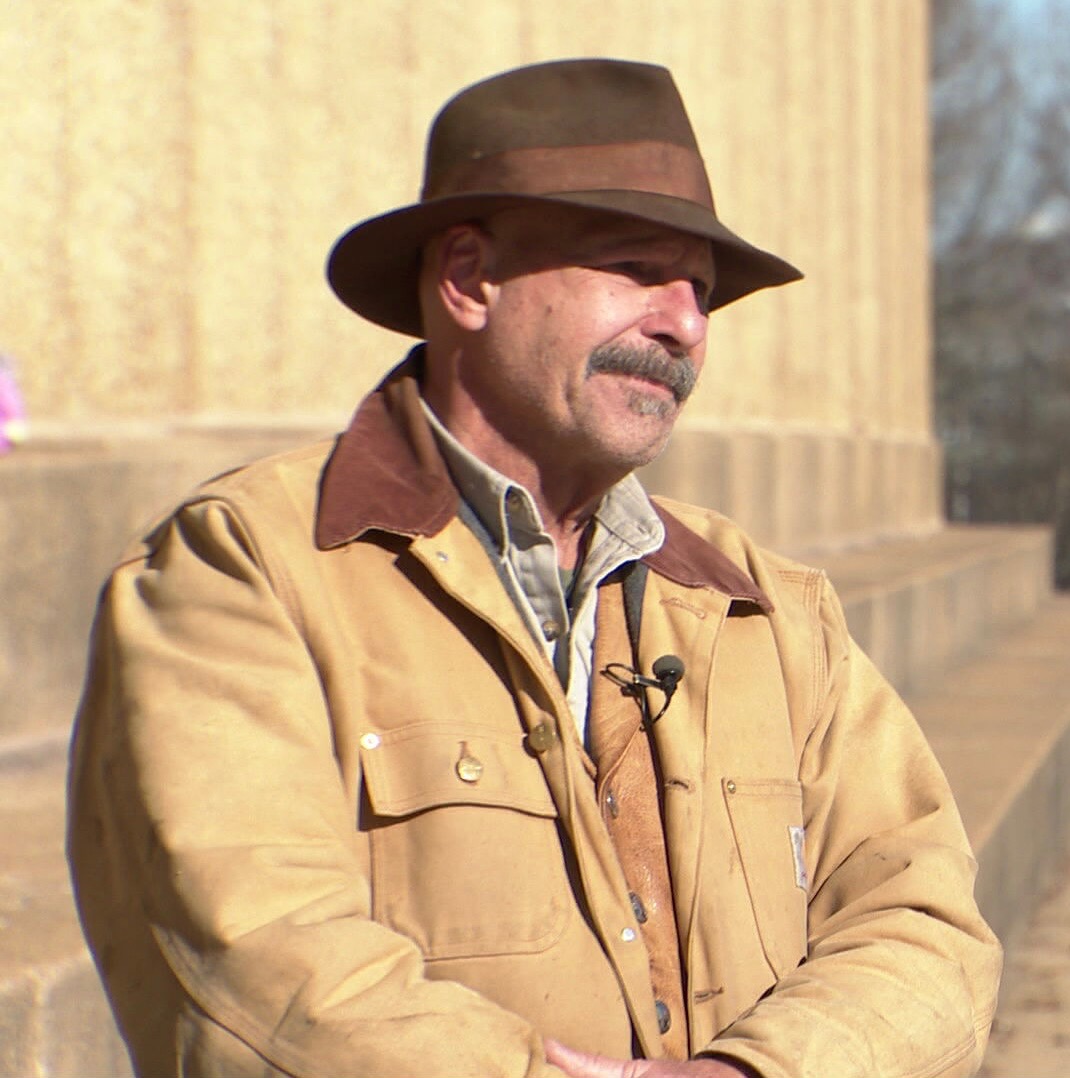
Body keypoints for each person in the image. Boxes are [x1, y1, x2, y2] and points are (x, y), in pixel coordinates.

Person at [68, 59, 1001, 1078]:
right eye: (639, 270)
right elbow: (256, 963)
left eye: (699, 289)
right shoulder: (242, 570)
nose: (684, 323)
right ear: (468, 278)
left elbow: (925, 929)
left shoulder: (768, 611)